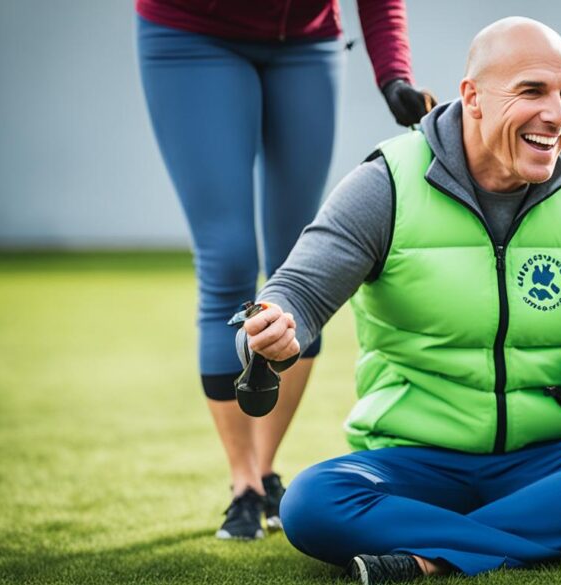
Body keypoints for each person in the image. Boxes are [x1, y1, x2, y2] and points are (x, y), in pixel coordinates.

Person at [239, 16, 561, 584]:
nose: (557, 114)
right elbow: (292, 294)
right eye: (532, 92)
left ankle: (429, 556)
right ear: (472, 97)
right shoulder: (385, 184)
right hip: (411, 462)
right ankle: (521, 537)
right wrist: (268, 330)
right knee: (312, 501)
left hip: (538, 464)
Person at [136, 0, 433, 540]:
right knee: (227, 260)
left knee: (300, 266)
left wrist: (394, 75)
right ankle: (243, 482)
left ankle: (265, 467)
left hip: (306, 41)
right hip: (192, 34)